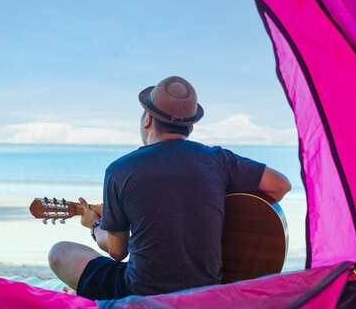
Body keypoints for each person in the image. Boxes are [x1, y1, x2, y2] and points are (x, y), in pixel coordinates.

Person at [48, 76, 291, 300]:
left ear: (148, 120)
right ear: (191, 128)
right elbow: (281, 186)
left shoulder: (120, 170)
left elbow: (117, 252)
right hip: (206, 293)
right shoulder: (217, 159)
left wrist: (94, 225)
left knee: (60, 252)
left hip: (141, 294)